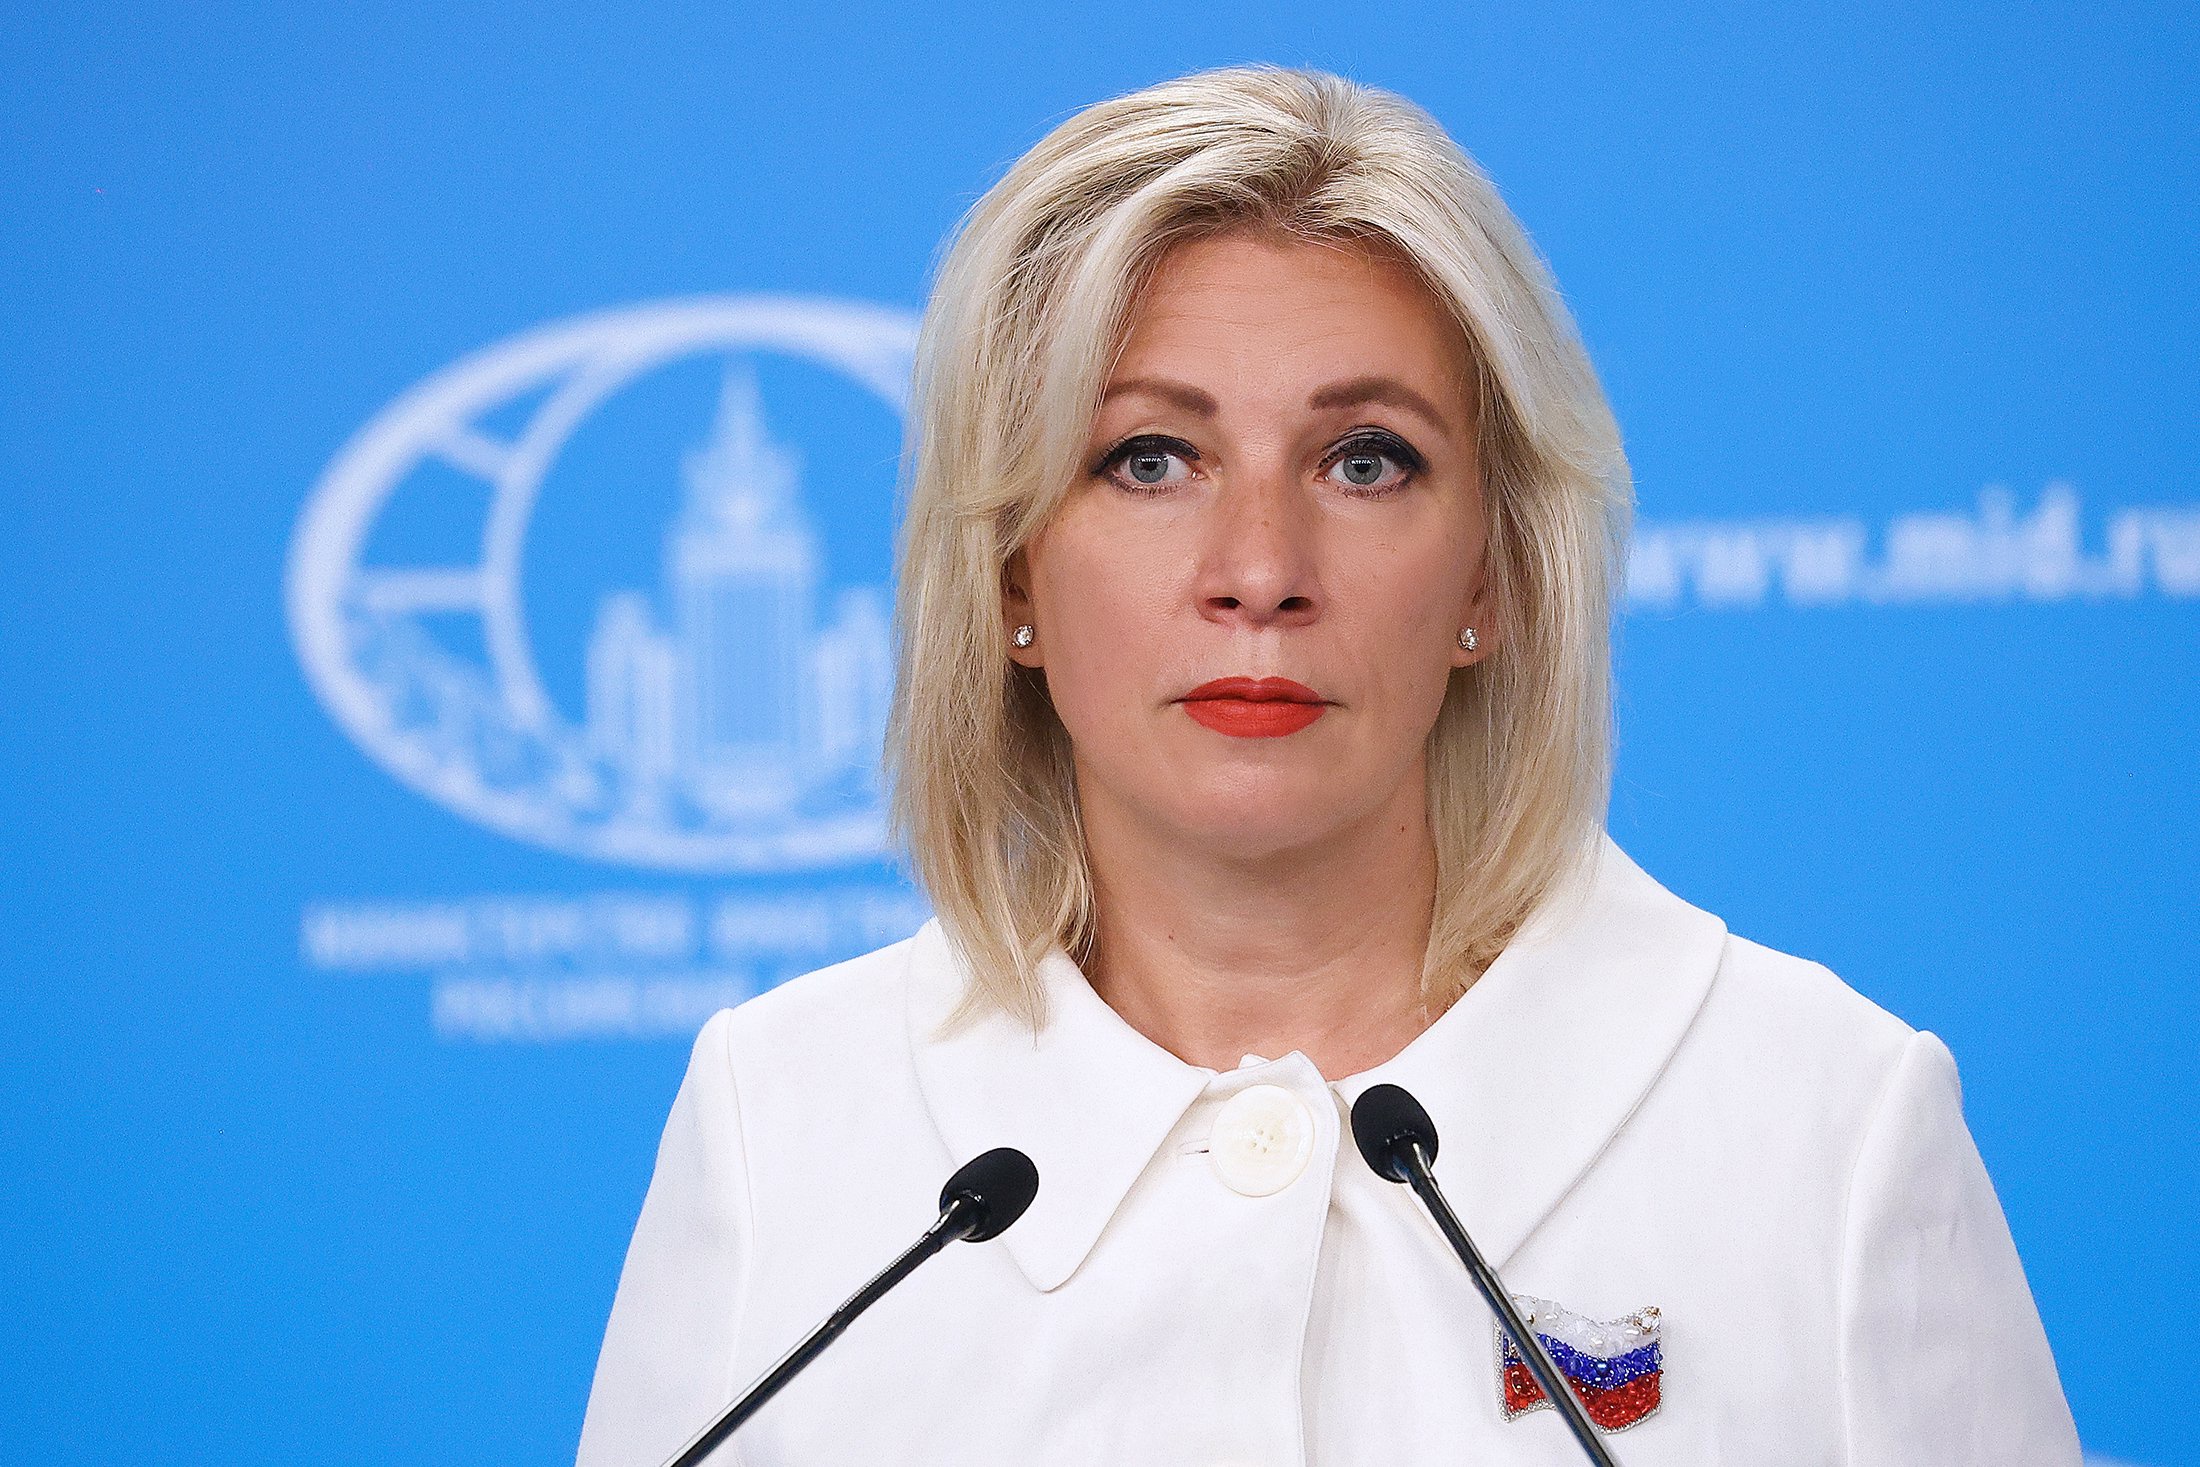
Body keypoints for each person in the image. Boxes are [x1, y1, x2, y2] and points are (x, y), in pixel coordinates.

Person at [575, 64, 2081, 1466]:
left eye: (1366, 461)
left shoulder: (1828, 1126)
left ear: (1493, 573)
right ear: (1012, 572)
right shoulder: (782, 1127)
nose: (1259, 571)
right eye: (1149, 459)